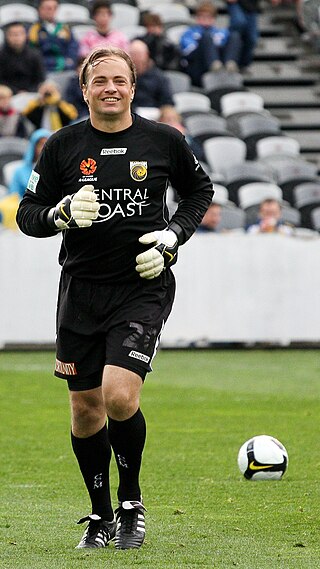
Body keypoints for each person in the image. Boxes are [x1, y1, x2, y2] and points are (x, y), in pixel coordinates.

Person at [16, 46, 213, 551]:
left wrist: (173, 237)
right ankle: (101, 516)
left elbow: (200, 192)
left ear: (132, 86)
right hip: (80, 292)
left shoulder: (164, 140)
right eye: (99, 81)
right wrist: (58, 213)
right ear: (84, 90)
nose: (110, 88)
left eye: (119, 80)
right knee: (85, 410)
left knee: (119, 396)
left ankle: (131, 502)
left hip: (141, 287)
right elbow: (28, 214)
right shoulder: (62, 147)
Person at [180, 1, 242, 86]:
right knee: (206, 36)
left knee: (235, 36)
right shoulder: (189, 33)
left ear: (214, 19)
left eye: (208, 17)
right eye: (202, 16)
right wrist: (207, 45)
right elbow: (188, 53)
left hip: (221, 62)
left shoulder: (222, 32)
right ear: (197, 18)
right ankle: (214, 65)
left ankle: (229, 64)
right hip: (198, 67)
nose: (205, 20)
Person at [226, 0, 281, 71]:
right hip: (236, 4)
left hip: (251, 7)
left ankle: (242, 65)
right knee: (238, 24)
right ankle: (229, 60)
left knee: (252, 39)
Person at [28, 0, 79, 73]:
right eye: (47, 8)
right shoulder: (34, 30)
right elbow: (32, 52)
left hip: (66, 68)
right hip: (43, 69)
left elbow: (73, 47)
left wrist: (70, 60)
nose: (50, 11)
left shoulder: (64, 29)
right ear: (39, 9)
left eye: (54, 8)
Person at [0, 22, 45, 94]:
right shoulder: (1, 55)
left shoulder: (35, 55)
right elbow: (1, 80)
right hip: (7, 95)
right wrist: (16, 91)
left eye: (20, 34)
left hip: (32, 94)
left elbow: (40, 79)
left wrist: (29, 91)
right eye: (13, 34)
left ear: (26, 35)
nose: (17, 38)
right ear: (7, 36)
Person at [129, 39, 174, 113]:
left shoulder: (159, 76)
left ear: (147, 55)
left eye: (139, 55)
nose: (136, 58)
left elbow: (167, 101)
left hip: (154, 113)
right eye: (133, 54)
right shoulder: (124, 77)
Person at [8, 128, 51, 199]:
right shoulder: (20, 172)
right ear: (33, 147)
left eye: (47, 144)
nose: (44, 148)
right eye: (41, 144)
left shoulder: (55, 170)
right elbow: (14, 196)